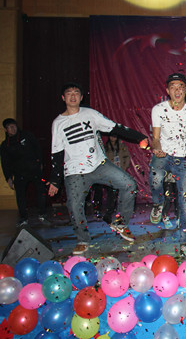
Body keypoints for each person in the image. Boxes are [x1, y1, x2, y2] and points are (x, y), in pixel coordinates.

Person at [48, 82, 147, 255]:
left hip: (98, 165)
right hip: (75, 172)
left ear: (81, 97)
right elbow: (56, 153)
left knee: (129, 185)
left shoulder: (90, 114)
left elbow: (115, 127)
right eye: (69, 93)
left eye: (76, 92)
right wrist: (55, 180)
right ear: (63, 98)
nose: (73, 96)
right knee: (74, 205)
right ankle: (82, 239)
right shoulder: (58, 123)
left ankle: (120, 223)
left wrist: (139, 137)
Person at [149, 73, 186, 256]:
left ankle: (185, 242)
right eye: (173, 87)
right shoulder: (158, 109)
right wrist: (157, 148)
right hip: (164, 154)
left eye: (180, 87)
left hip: (184, 159)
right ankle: (158, 204)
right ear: (167, 90)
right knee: (155, 177)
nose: (177, 90)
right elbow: (156, 138)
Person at [1, 118, 50, 226]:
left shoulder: (27, 135)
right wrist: (8, 177)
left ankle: (42, 214)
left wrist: (40, 162)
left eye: (14, 126)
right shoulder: (5, 145)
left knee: (41, 192)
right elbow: (5, 162)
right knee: (20, 196)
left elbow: (37, 147)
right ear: (6, 129)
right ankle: (23, 218)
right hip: (19, 173)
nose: (13, 129)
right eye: (10, 127)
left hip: (35, 170)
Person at [94, 133, 131, 224]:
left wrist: (124, 167)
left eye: (115, 136)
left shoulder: (121, 146)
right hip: (110, 174)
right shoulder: (106, 147)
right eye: (111, 136)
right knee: (111, 193)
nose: (113, 138)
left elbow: (127, 157)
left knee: (123, 192)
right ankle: (108, 212)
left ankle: (121, 212)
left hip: (120, 172)